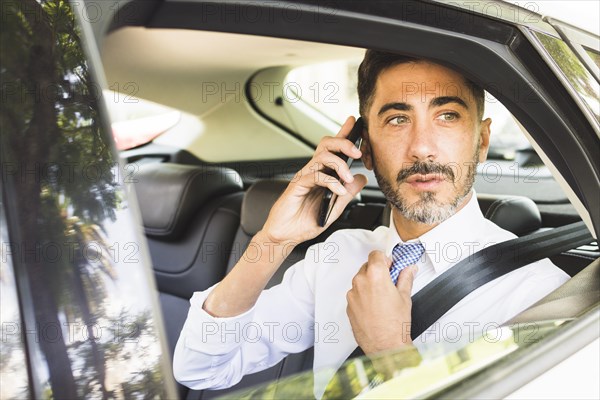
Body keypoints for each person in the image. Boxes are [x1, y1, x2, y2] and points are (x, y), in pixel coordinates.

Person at [173, 51, 569, 397]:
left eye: (447, 116)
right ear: (364, 149)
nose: (422, 147)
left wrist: (391, 353)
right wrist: (273, 241)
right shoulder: (335, 256)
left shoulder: (538, 294)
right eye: (398, 119)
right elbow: (201, 368)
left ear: (481, 141)